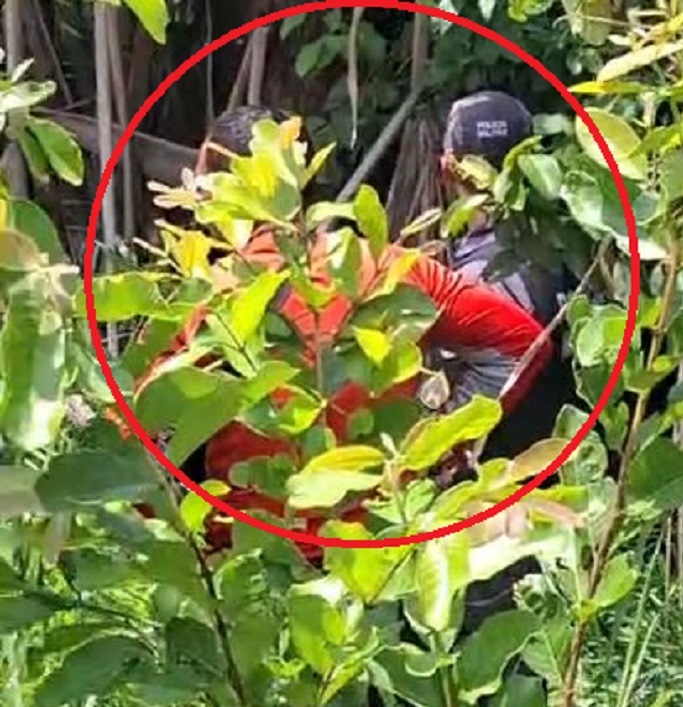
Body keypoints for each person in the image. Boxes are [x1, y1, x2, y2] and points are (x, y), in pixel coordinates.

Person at [125, 105, 554, 563]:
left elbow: (137, 448)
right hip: (384, 545)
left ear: (219, 187)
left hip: (253, 558)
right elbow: (521, 345)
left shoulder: (206, 303)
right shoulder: (393, 269)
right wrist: (436, 445)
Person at [437, 91, 574, 462]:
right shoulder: (574, 238)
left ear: (448, 167)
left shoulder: (480, 276)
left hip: (505, 473)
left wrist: (437, 446)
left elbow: (486, 384)